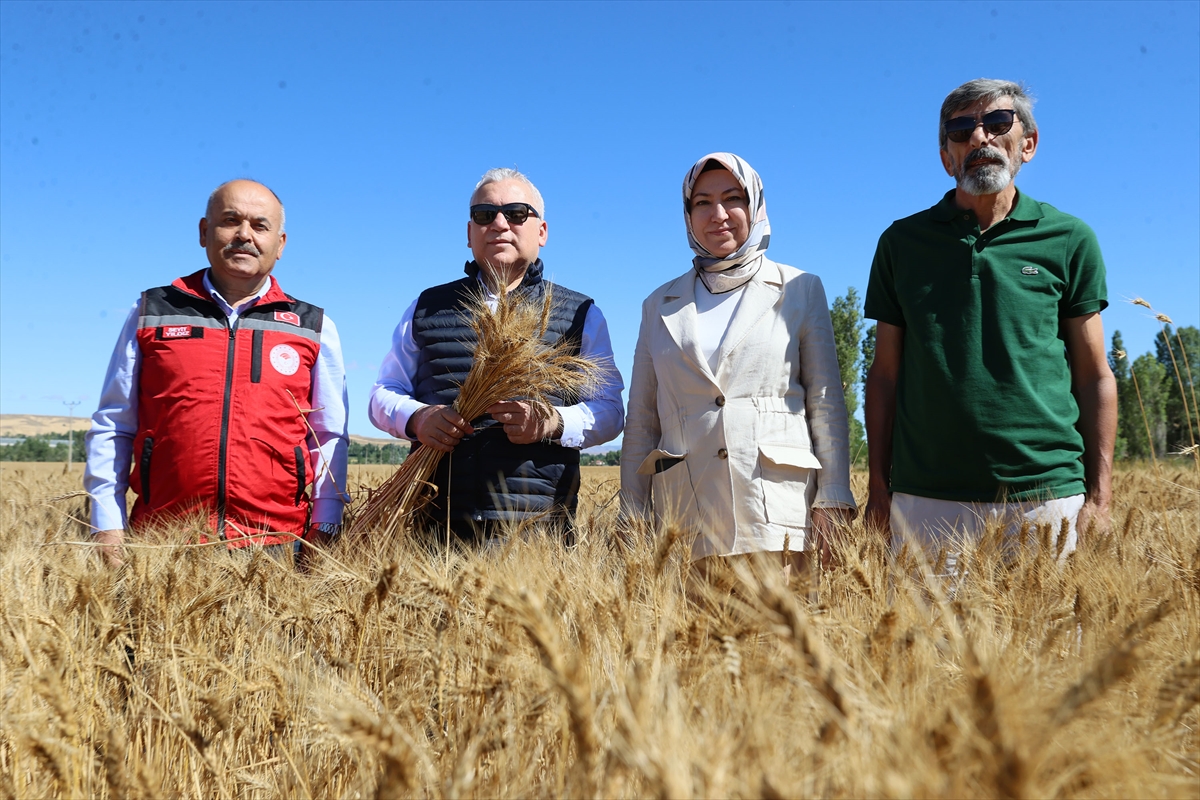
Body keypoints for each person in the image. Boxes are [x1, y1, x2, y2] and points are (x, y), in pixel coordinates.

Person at [864, 79, 1117, 574]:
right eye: (961, 130)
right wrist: (878, 488)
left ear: (1028, 144)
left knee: (1050, 628)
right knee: (922, 630)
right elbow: (885, 376)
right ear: (946, 158)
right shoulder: (901, 243)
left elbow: (1094, 375)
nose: (980, 137)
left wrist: (1100, 497)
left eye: (998, 123)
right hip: (926, 500)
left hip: (1047, 496)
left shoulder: (1069, 239)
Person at [85, 179, 350, 567]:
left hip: (277, 543)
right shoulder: (152, 311)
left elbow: (328, 436)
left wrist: (326, 523)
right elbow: (114, 425)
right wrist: (106, 524)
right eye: (230, 220)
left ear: (280, 244)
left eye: (260, 226)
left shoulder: (312, 326)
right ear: (204, 232)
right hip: (163, 542)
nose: (244, 235)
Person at [620, 153, 856, 574]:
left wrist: (834, 493)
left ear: (756, 206)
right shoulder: (658, 305)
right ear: (687, 215)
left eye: (733, 199)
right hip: (685, 518)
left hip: (776, 513)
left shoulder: (800, 289)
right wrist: (632, 513)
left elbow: (825, 401)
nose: (719, 214)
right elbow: (641, 419)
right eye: (702, 203)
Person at [368, 168, 624, 541]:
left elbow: (611, 411)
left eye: (517, 213)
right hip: (435, 528)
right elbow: (382, 393)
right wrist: (418, 418)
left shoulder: (581, 315)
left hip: (537, 535)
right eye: (485, 214)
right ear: (469, 233)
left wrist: (553, 422)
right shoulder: (427, 307)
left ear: (542, 232)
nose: (500, 224)